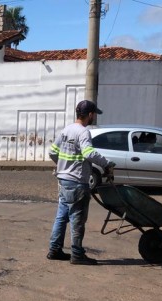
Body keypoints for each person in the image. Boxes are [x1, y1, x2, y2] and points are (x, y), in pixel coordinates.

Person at [47, 100, 115, 265]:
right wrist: (106, 164)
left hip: (63, 180)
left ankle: (54, 250)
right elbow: (88, 153)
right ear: (90, 115)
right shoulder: (83, 132)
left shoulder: (66, 130)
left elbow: (52, 151)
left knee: (62, 217)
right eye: (94, 115)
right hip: (77, 182)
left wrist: (63, 166)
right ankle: (77, 254)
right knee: (78, 219)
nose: (94, 118)